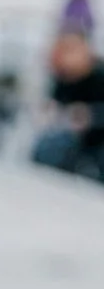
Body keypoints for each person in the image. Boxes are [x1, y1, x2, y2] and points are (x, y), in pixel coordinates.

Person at [32, 29, 104, 180]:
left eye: (72, 49)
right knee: (46, 148)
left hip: (98, 143)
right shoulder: (63, 80)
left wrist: (91, 115)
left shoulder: (99, 76)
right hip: (76, 143)